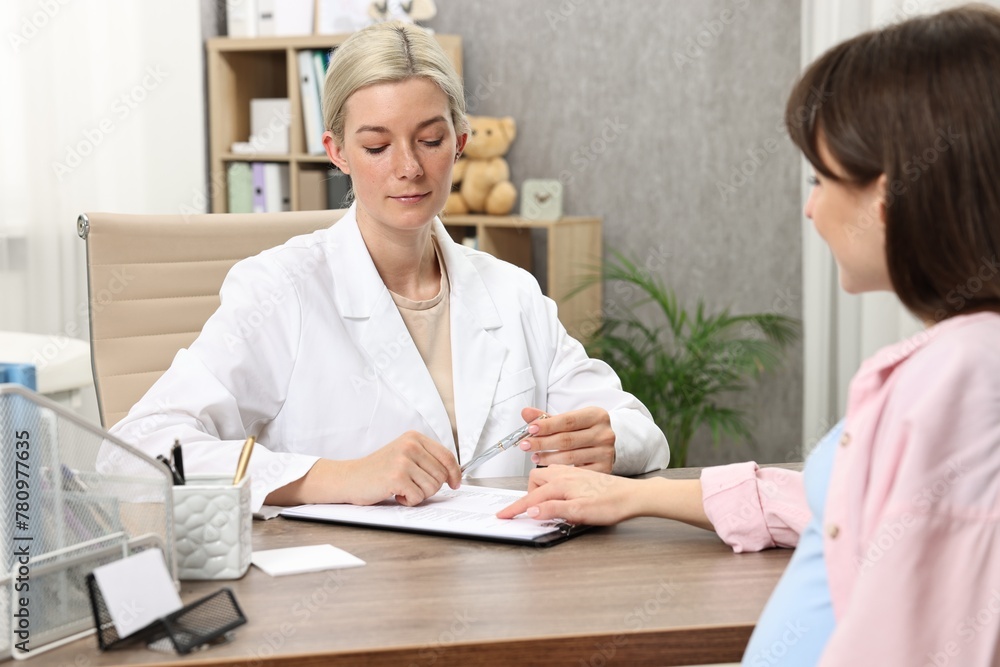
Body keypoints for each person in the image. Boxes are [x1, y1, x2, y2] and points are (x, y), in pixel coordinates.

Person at [499, 5, 1000, 665]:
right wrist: (636, 494)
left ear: (894, 192)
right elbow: (849, 509)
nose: (811, 205)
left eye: (821, 178)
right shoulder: (965, 359)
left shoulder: (960, 380)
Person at [108, 21, 669, 512]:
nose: (408, 168)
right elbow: (138, 450)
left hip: (504, 590)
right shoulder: (282, 289)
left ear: (460, 143)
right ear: (337, 152)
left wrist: (609, 439)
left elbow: (641, 429)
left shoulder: (511, 291)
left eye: (429, 140)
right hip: (349, 599)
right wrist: (334, 477)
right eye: (376, 147)